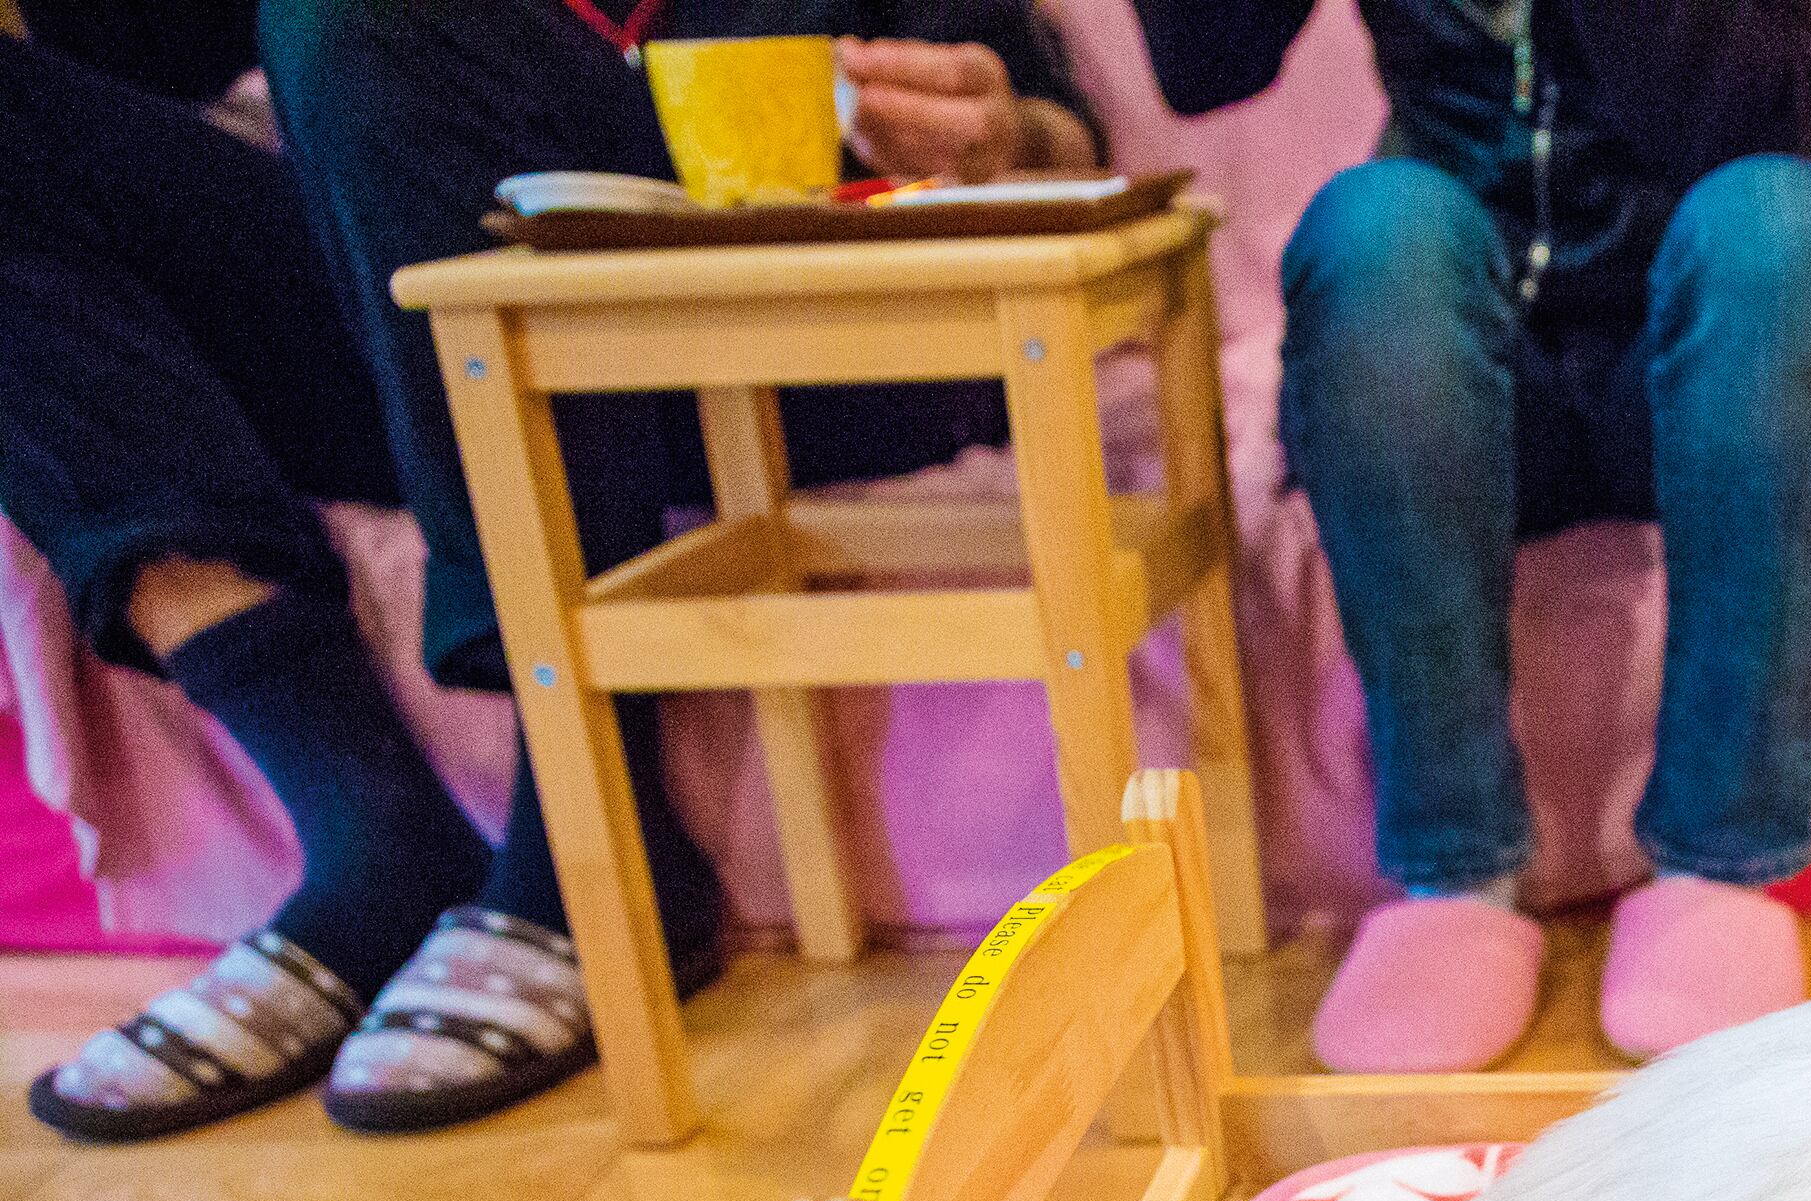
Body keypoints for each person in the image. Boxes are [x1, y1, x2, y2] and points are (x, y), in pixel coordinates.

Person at [7, 0, 1097, 1141]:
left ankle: (594, 823)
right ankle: (361, 819)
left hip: (803, 335)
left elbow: (1061, 130)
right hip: (412, 318)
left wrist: (1009, 136)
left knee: (379, 20)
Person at [1130, 0, 1811, 1070]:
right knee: (1375, 223)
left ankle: (1722, 867)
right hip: (1450, 359)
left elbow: (1746, 117)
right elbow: (1207, 61)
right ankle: (1453, 871)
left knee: (1782, 225)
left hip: (1708, 356)